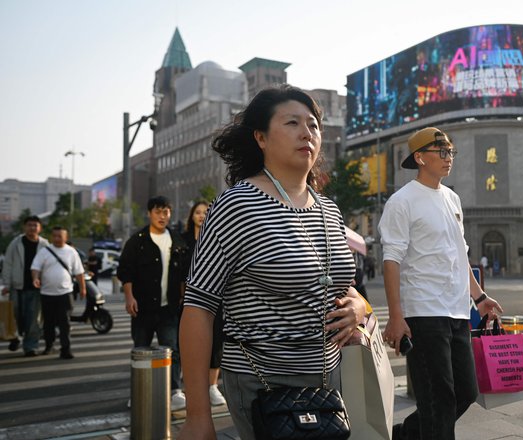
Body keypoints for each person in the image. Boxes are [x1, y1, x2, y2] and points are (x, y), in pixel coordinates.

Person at [178, 85, 366, 440]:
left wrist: (358, 305)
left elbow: (334, 282)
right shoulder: (237, 205)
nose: (306, 133)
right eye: (292, 123)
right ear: (261, 137)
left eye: (313, 125)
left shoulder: (328, 209)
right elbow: (198, 307)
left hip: (329, 378)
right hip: (262, 382)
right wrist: (198, 415)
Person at [379, 127, 503, 440]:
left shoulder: (452, 198)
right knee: (439, 400)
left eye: (451, 152)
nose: (449, 158)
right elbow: (391, 260)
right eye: (442, 152)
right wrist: (396, 316)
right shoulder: (401, 201)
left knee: (465, 392)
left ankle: (406, 434)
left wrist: (479, 297)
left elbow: (460, 255)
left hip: (458, 311)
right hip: (423, 312)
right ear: (419, 157)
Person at [117, 196, 188, 411]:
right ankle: (139, 392)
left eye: (166, 212)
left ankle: (175, 391)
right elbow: (125, 271)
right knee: (141, 351)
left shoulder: (177, 240)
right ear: (149, 214)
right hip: (143, 309)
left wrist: (183, 298)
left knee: (173, 350)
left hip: (169, 309)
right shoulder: (137, 241)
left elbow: (184, 273)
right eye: (158, 212)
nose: (162, 216)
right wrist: (129, 297)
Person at [181, 200, 226, 407]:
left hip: (218, 300)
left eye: (205, 212)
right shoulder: (182, 241)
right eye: (197, 212)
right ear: (192, 216)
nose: (201, 215)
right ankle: (190, 388)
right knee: (193, 343)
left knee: (216, 343)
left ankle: (213, 386)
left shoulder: (220, 237)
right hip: (189, 300)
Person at [30, 226, 86, 359]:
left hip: (65, 293)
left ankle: (65, 349)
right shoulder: (44, 251)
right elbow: (35, 267)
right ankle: (49, 346)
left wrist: (83, 288)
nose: (56, 238)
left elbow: (79, 272)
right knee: (48, 322)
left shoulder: (71, 252)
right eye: (54, 236)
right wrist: (35, 278)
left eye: (59, 236)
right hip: (47, 293)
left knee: (64, 322)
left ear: (65, 238)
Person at [1, 216, 49, 356]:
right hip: (17, 286)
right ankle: (16, 336)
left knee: (33, 318)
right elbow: (8, 263)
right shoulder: (16, 243)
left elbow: (48, 265)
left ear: (40, 228)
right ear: (24, 227)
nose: (32, 228)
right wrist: (6, 283)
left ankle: (30, 347)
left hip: (36, 288)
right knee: (16, 316)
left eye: (35, 225)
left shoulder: (45, 245)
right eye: (29, 225)